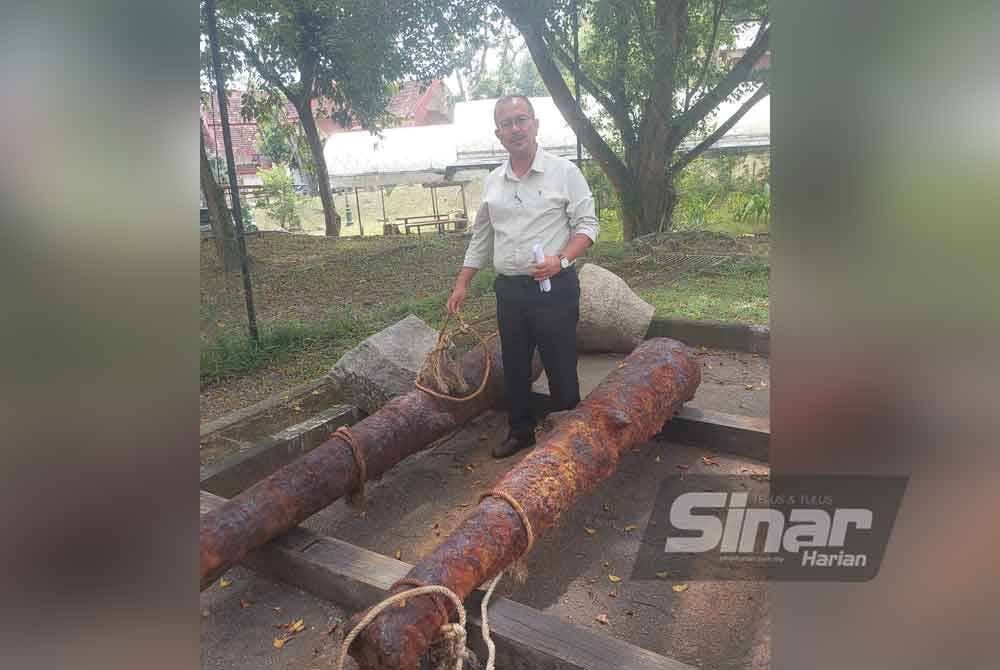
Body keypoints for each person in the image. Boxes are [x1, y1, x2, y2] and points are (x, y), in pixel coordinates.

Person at [446, 94, 599, 458]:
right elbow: (482, 237)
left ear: (535, 124)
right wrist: (462, 283)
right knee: (514, 366)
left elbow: (588, 227)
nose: (515, 128)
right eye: (506, 123)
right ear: (498, 133)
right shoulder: (493, 182)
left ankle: (568, 442)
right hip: (509, 292)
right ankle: (521, 431)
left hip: (554, 288)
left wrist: (560, 260)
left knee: (561, 366)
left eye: (521, 120)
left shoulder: (564, 172)